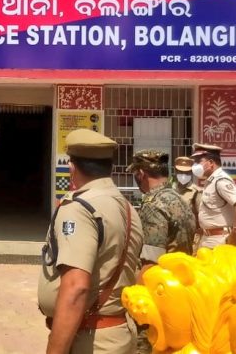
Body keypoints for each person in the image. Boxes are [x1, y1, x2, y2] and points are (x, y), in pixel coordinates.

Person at [39, 129, 143, 354]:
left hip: (91, 339)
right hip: (119, 332)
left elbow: (76, 288)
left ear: (72, 168)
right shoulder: (127, 207)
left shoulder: (80, 209)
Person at [128, 150, 195, 354]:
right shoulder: (179, 199)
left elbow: (151, 262)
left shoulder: (154, 205)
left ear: (141, 174)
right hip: (180, 290)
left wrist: (134, 301)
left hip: (157, 295)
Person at [191, 143, 236, 248]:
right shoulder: (211, 181)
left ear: (211, 163)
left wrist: (234, 234)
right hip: (209, 238)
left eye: (199, 161)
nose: (195, 165)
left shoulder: (220, 181)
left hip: (221, 240)